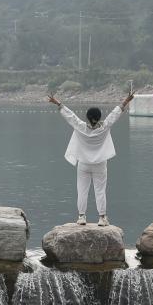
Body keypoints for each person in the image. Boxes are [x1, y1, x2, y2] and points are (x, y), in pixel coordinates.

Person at [47, 90, 135, 226]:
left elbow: (70, 116)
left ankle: (81, 217)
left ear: (87, 117)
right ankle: (102, 218)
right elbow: (115, 114)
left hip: (83, 164)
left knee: (82, 191)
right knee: (100, 191)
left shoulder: (81, 127)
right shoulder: (104, 127)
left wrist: (57, 103)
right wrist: (127, 100)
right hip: (100, 164)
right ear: (99, 118)